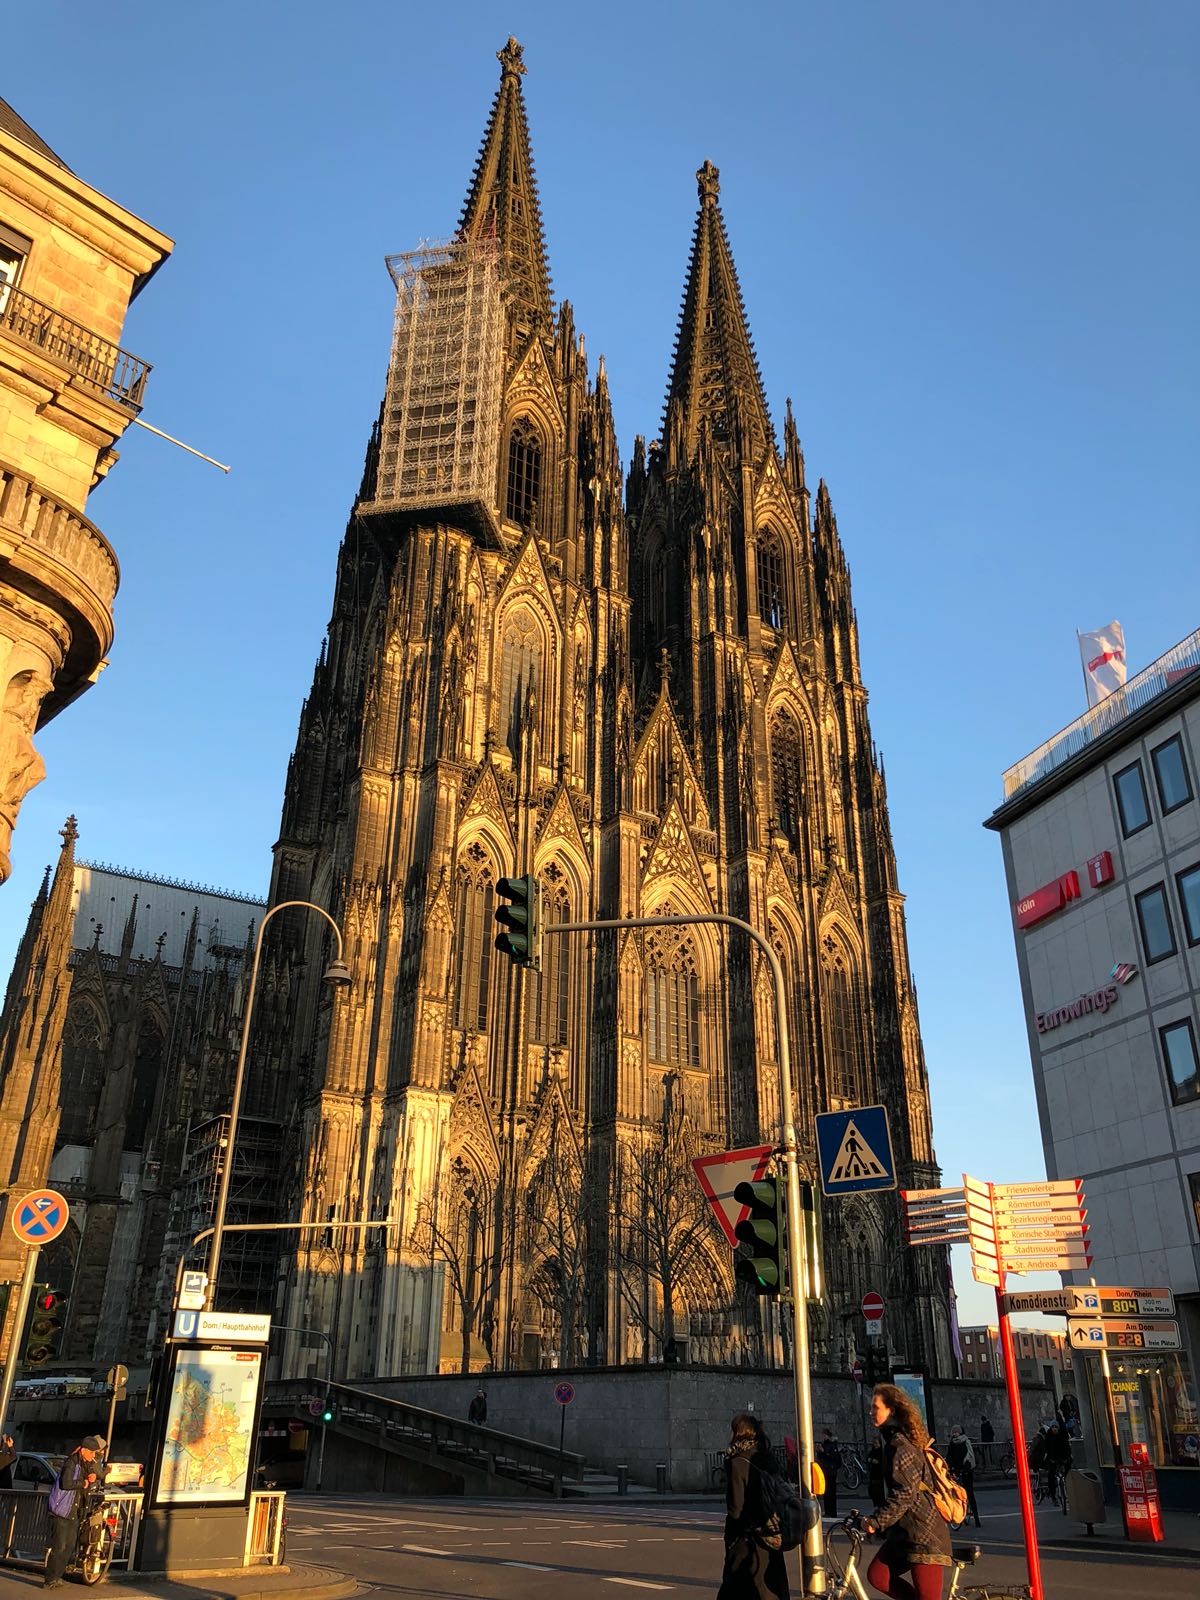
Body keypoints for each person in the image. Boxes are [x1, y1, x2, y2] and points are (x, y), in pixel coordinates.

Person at [862, 1384, 950, 1600]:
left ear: (891, 1410)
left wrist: (877, 1521)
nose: (871, 1412)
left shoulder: (901, 1445)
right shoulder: (893, 1441)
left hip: (923, 1535)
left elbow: (905, 1492)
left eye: (876, 1408)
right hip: (905, 1533)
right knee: (878, 1576)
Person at [717, 1411, 789, 1600]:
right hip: (771, 1533)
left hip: (747, 1538)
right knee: (770, 1587)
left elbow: (735, 1508)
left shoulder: (737, 1462)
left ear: (738, 1433)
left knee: (733, 1589)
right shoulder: (766, 1457)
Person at [43, 1435, 104, 1589]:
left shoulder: (85, 1464)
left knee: (69, 1546)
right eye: (91, 1453)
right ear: (83, 1451)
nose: (93, 1456)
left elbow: (89, 1482)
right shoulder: (71, 1463)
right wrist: (82, 1482)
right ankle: (50, 1579)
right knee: (60, 1546)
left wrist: (91, 1479)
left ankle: (58, 1576)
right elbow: (66, 1483)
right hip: (62, 1510)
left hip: (74, 1510)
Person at [946, 1427, 979, 1527]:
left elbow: (969, 1455)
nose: (955, 1434)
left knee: (970, 1493)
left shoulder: (965, 1441)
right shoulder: (952, 1443)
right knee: (956, 1492)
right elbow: (949, 1456)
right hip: (956, 1469)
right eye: (954, 1432)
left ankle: (977, 1518)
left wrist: (966, 1466)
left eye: (957, 1432)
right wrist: (948, 1466)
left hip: (966, 1470)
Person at [1044, 1421, 1072, 1503]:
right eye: (1053, 1427)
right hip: (1052, 1459)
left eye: (1056, 1427)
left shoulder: (1062, 1435)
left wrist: (1066, 1458)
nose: (1054, 1429)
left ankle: (1069, 1492)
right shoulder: (1048, 1436)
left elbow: (1067, 1448)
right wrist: (1050, 1458)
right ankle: (1053, 1496)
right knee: (1051, 1475)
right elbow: (1047, 1448)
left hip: (1063, 1458)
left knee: (1068, 1474)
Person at [816, 1429, 841, 1518]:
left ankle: (832, 1512)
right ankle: (828, 1511)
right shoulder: (824, 1444)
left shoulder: (832, 1445)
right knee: (826, 1493)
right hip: (825, 1471)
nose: (822, 1437)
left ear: (827, 1435)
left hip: (831, 1472)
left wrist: (824, 1452)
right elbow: (821, 1458)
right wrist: (819, 1451)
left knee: (831, 1493)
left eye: (823, 1435)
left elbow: (833, 1458)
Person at [867, 1436, 886, 1510]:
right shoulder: (872, 1451)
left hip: (879, 1475)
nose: (875, 1445)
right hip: (873, 1474)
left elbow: (881, 1462)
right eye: (874, 1443)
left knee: (879, 1492)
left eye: (876, 1443)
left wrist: (877, 1462)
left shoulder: (881, 1452)